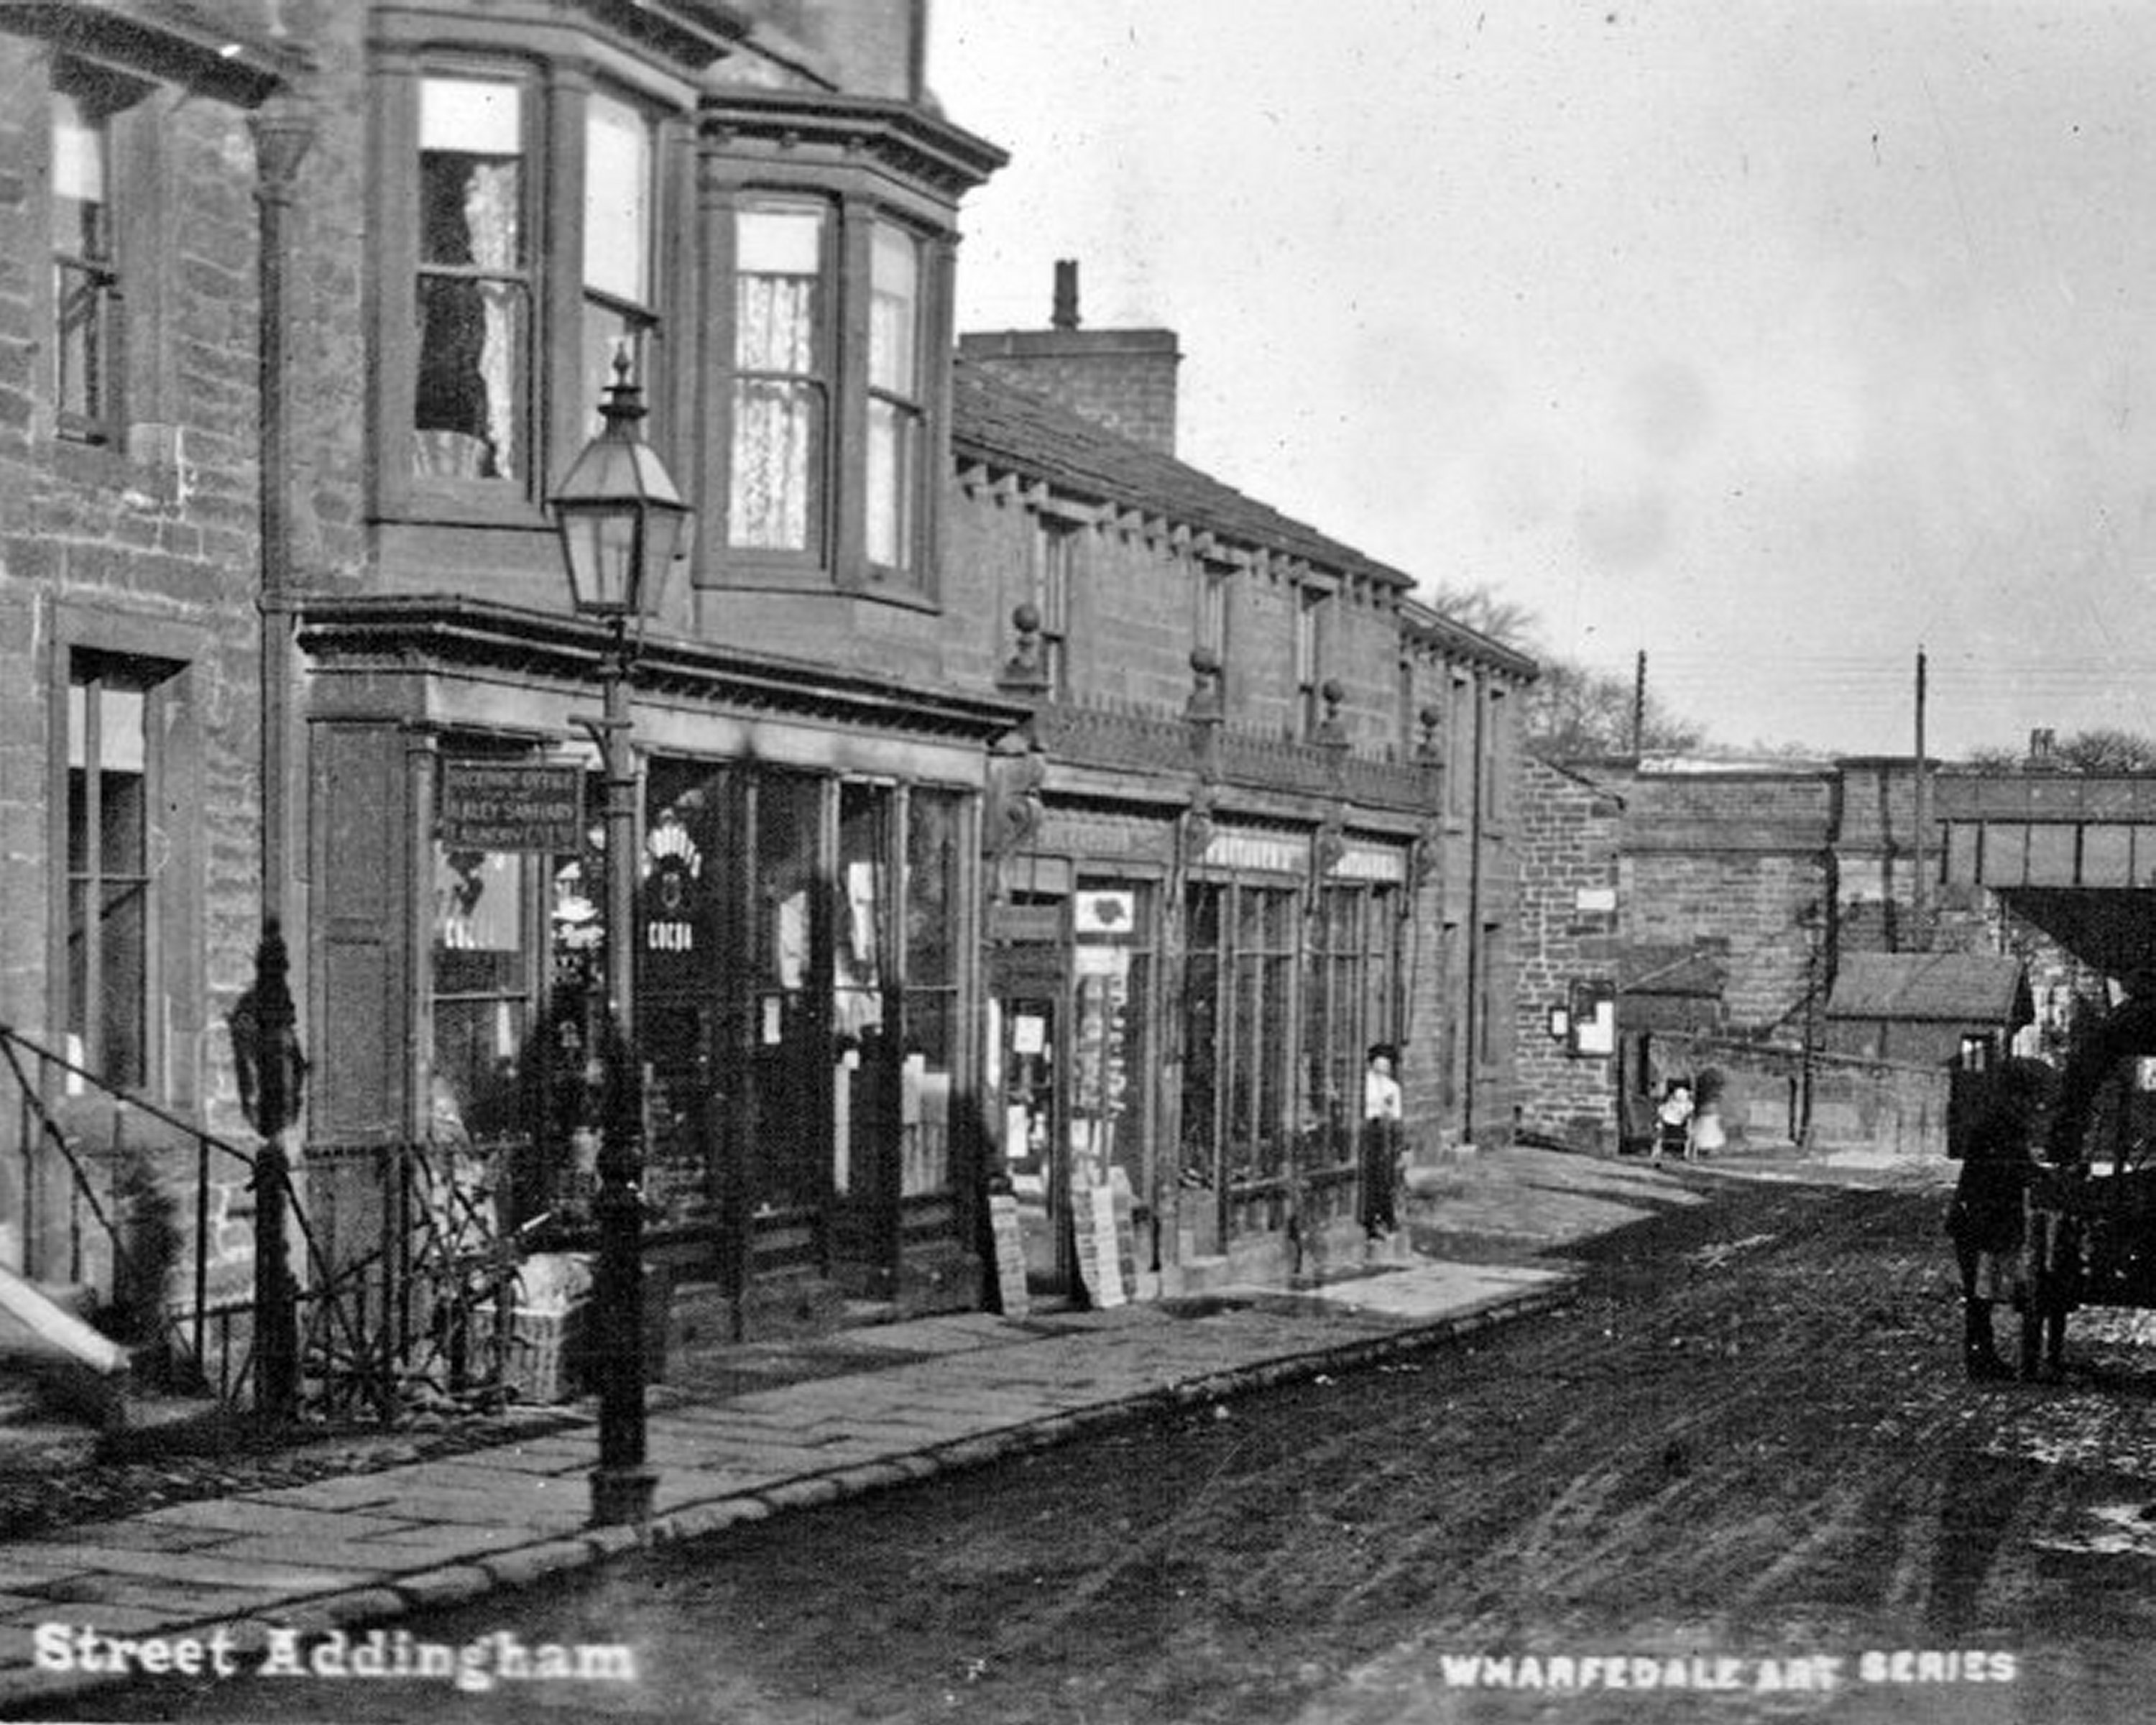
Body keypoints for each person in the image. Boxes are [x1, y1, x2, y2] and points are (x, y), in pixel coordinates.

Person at [1947, 1061, 2050, 1381]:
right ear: (2014, 1097)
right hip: (1979, 1224)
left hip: (1980, 1222)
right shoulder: (1999, 1127)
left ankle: (1982, 1357)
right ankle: (1980, 1361)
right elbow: (2014, 1169)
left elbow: (2017, 1166)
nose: (2030, 1106)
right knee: (1979, 1296)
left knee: (1982, 1294)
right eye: (2026, 1099)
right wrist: (2045, 1178)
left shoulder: (2000, 1124)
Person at [1360, 1044, 1404, 1238]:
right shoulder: (1364, 1084)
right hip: (1364, 1130)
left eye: (1387, 1064)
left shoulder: (1392, 1088)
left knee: (1383, 1176)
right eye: (1379, 1062)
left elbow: (1396, 1115)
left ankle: (1384, 1218)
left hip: (1382, 1133)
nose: (1383, 1066)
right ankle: (1373, 1219)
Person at [1653, 1080, 1694, 1167]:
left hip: (1668, 1126)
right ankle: (1686, 1153)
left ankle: (1657, 1152)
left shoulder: (1667, 1105)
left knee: (1660, 1130)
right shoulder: (1688, 1106)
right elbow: (1689, 1115)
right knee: (1689, 1129)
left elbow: (1661, 1113)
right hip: (1680, 1127)